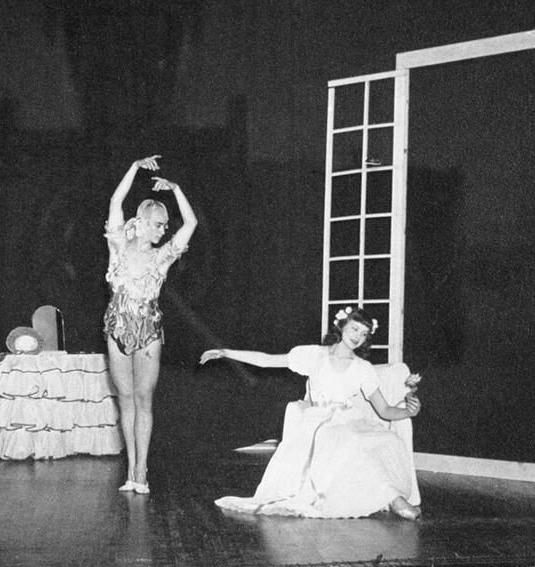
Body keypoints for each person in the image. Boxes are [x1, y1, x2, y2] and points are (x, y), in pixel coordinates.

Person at [199, 306, 423, 520]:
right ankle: (394, 500)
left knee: (370, 440)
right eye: (354, 329)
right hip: (318, 421)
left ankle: (389, 497)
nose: (358, 337)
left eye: (364, 334)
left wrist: (408, 412)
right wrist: (226, 353)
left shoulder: (362, 368)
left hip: (347, 419)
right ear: (341, 326)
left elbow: (384, 410)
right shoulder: (315, 355)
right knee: (346, 440)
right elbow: (268, 360)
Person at [104, 155, 198, 494]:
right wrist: (133, 167)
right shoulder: (117, 247)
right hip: (116, 328)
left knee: (143, 398)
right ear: (142, 223)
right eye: (159, 225)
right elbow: (116, 201)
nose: (164, 230)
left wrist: (176, 189)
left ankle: (142, 469)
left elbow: (190, 224)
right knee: (125, 398)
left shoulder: (162, 257)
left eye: (164, 226)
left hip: (147, 332)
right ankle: (131, 470)